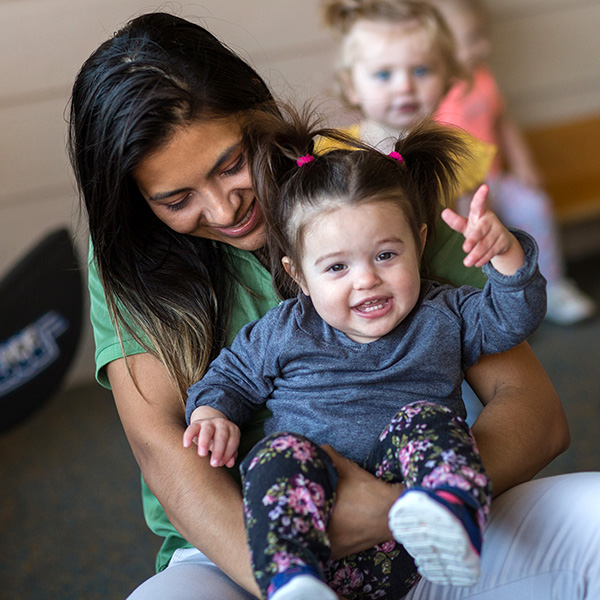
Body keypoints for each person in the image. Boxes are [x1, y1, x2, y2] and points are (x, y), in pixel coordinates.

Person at [67, 10, 600, 600]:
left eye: (231, 164)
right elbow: (163, 449)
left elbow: (536, 411)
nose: (223, 210)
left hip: (431, 523)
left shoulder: (365, 189)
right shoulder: (128, 258)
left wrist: (402, 510)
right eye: (176, 199)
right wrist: (289, 563)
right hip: (247, 548)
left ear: (260, 114)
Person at [183, 115, 546, 600]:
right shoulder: (285, 329)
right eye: (337, 266)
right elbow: (230, 377)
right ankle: (292, 581)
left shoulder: (445, 313)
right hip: (322, 531)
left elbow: (511, 317)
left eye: (385, 256)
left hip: (414, 537)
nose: (366, 280)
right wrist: (212, 413)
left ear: (418, 244)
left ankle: (454, 516)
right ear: (299, 276)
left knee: (427, 420)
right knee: (276, 455)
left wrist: (505, 256)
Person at [431, 0, 596, 325]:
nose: (486, 46)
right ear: (438, 43)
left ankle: (551, 286)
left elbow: (503, 121)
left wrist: (524, 163)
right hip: (459, 192)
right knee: (469, 240)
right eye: (474, 38)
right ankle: (489, 303)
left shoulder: (482, 77)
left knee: (533, 206)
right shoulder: (431, 92)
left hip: (496, 179)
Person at [321, 0, 495, 203]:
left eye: (421, 71)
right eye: (384, 74)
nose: (405, 87)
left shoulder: (459, 153)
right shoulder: (332, 153)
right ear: (351, 86)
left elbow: (475, 226)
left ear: (447, 80)